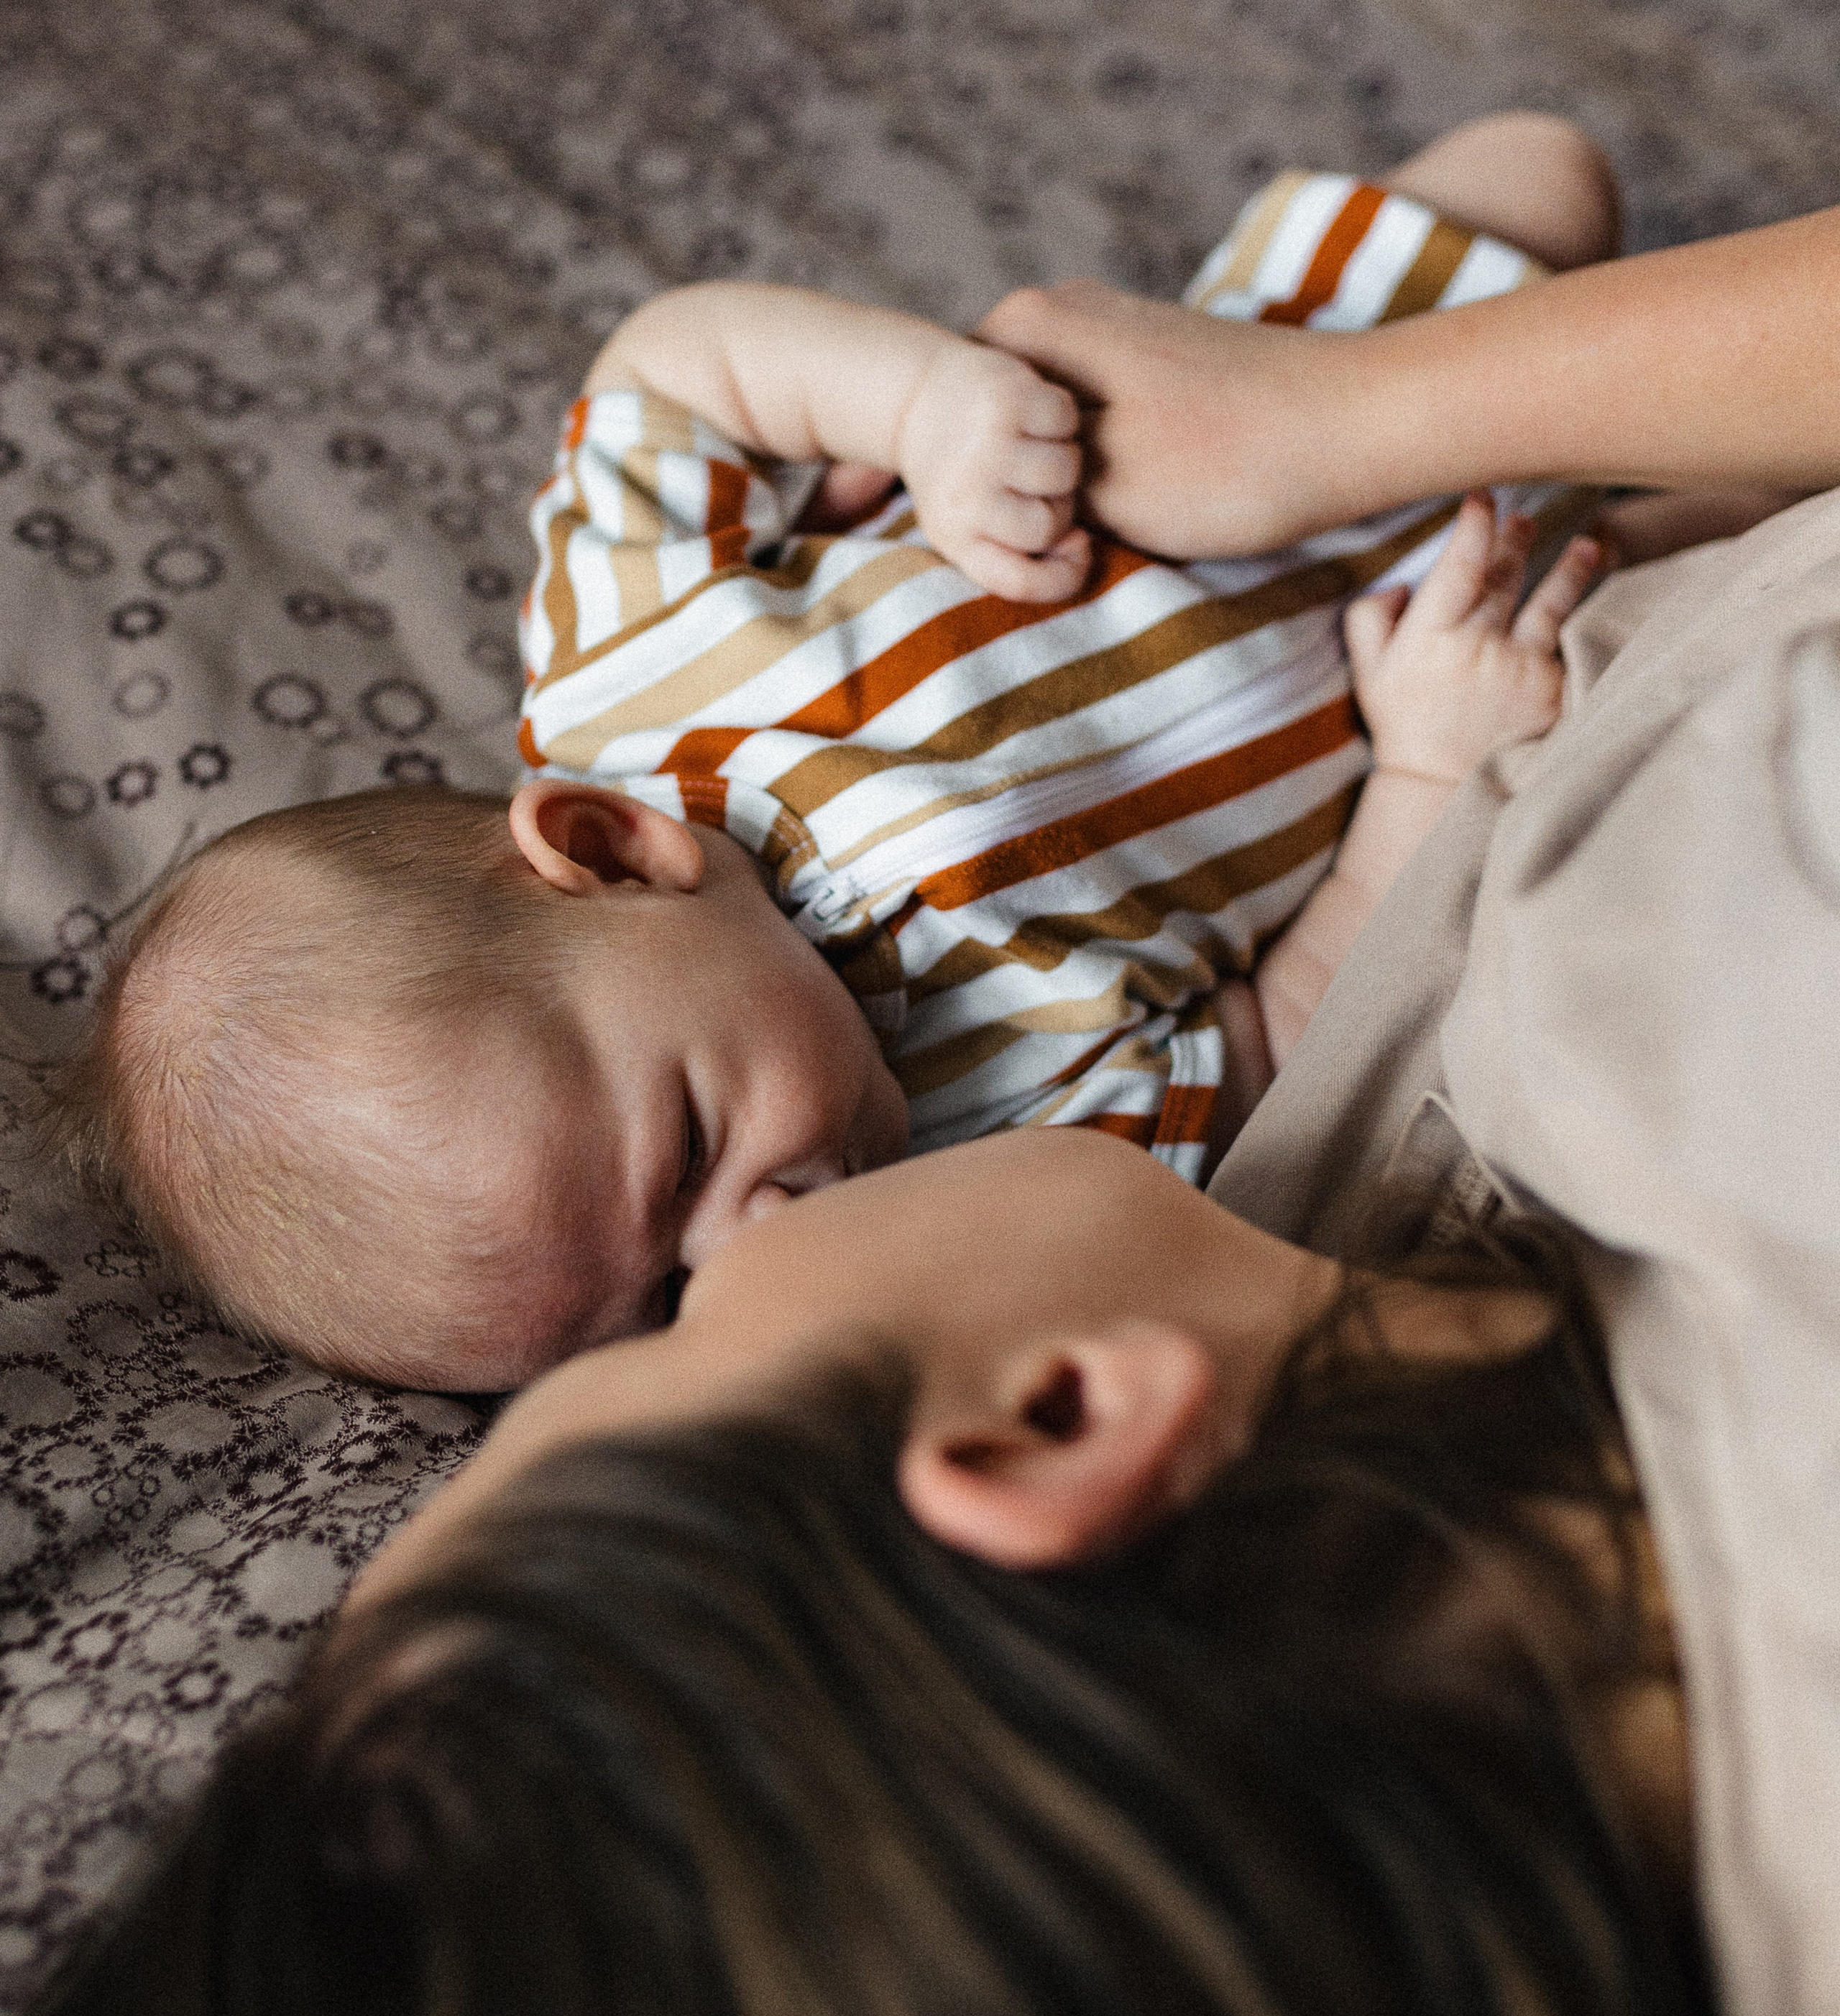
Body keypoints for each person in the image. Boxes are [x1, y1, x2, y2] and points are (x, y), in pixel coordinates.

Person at [11, 116, 1840, 2016]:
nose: (751, 1239)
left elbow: (679, 396)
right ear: (1053, 1415)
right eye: (617, 1359)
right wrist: (1350, 427)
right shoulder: (1729, 927)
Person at [37, 118, 1627, 1393]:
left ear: (603, 850)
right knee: (1723, 552)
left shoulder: (638, 677)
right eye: (663, 1306)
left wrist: (927, 407)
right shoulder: (992, 1140)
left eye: (688, 1158)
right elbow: (1278, 1036)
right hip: (1463, 640)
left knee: (1535, 171)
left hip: (1250, 401)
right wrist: (1424, 775)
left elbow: (671, 374)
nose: (755, 1250)